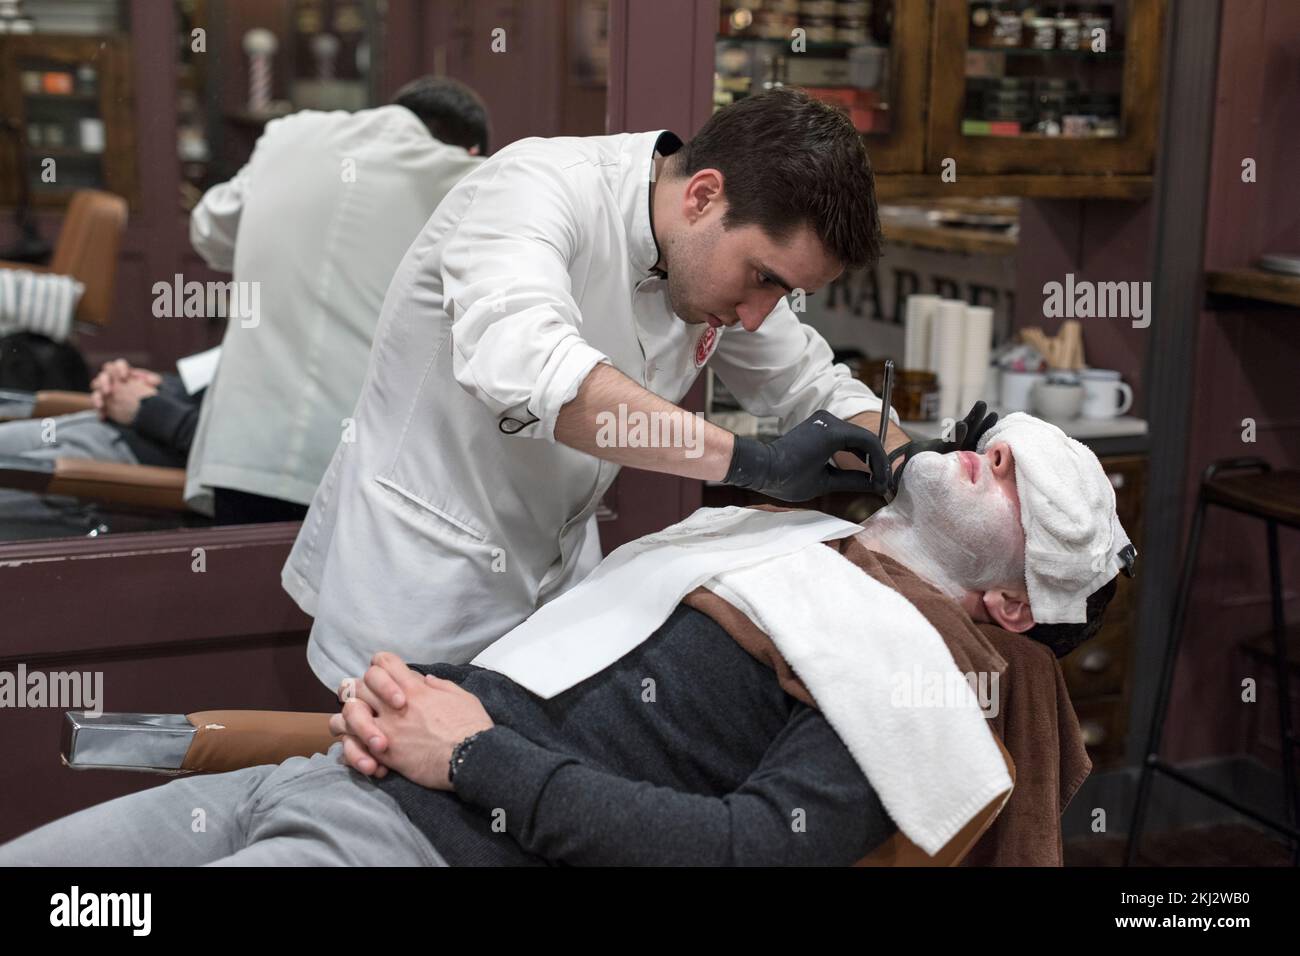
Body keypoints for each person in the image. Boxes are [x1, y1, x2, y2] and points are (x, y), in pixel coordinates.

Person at [0, 414, 1132, 866]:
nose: (996, 448)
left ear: (1016, 607)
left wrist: (470, 758)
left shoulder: (918, 676)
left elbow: (743, 851)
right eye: (996, 442)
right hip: (333, 768)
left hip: (418, 849)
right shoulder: (788, 547)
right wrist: (414, 698)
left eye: (1022, 485)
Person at [284, 86, 1006, 691]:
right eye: (765, 280)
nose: (759, 315)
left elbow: (808, 381)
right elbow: (541, 377)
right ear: (702, 195)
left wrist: (915, 466)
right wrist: (748, 463)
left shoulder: (718, 259)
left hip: (557, 596)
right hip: (418, 590)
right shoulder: (530, 191)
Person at [182, 77, 489, 525]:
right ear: (470, 150)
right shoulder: (463, 177)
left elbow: (209, 230)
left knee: (242, 589)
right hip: (361, 465)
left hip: (246, 451)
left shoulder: (288, 135)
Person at [0, 358, 203, 539]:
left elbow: (225, 450)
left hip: (124, 462)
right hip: (91, 422)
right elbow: (198, 389)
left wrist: (150, 407)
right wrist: (132, 381)